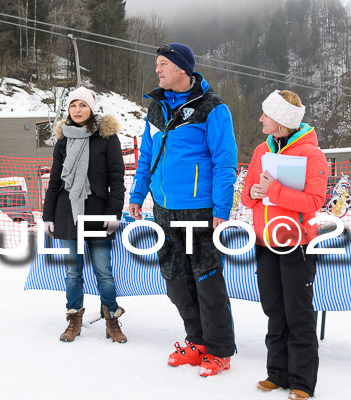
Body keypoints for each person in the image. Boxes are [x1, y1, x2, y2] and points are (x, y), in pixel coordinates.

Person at [128, 43, 238, 377]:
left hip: (200, 210)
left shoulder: (213, 108)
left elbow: (224, 162)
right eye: (157, 65)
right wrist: (138, 193)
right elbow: (146, 155)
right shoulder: (156, 109)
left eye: (162, 65)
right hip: (162, 209)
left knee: (206, 280)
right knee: (175, 281)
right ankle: (198, 341)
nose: (157, 71)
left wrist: (222, 208)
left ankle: (219, 350)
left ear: (181, 69)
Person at [240, 90, 328, 399]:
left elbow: (314, 202)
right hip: (265, 242)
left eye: (266, 114)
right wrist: (252, 194)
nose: (261, 119)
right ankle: (276, 373)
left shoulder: (311, 155)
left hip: (296, 245)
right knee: (274, 310)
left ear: (282, 121)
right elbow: (246, 196)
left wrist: (274, 191)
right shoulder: (260, 150)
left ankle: (302, 381)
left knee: (298, 313)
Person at [42, 86, 127, 344]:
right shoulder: (63, 140)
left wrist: (114, 212)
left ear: (91, 108)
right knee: (72, 272)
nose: (77, 110)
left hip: (98, 213)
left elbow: (117, 178)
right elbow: (55, 180)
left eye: (82, 105)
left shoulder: (106, 138)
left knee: (104, 271)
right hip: (67, 212)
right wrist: (48, 215)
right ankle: (73, 320)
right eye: (73, 106)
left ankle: (112, 319)